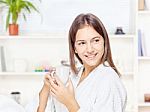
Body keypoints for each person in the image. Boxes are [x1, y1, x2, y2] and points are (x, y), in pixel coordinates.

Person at [26, 13, 127, 112]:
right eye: (82, 43)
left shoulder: (108, 79)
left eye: (95, 40)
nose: (90, 49)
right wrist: (46, 87)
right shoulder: (72, 77)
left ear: (104, 41)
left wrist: (69, 102)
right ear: (75, 48)